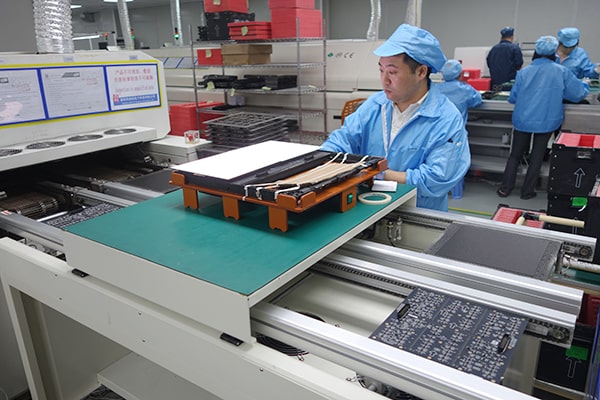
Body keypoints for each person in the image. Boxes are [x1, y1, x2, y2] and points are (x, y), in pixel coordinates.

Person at [321, 24, 470, 212]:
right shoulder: (375, 105)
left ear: (421, 72)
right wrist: (322, 160)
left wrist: (375, 174)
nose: (384, 80)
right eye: (381, 70)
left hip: (417, 214)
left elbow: (436, 179)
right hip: (368, 208)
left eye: (392, 72)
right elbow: (344, 139)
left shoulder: (445, 119)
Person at [497, 36, 589, 200]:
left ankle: (505, 189)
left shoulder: (524, 72)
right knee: (537, 157)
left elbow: (513, 98)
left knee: (515, 155)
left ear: (536, 51)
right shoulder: (561, 71)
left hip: (523, 120)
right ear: (554, 51)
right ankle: (527, 192)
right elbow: (578, 94)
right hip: (546, 121)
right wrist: (585, 85)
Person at [436, 59, 483, 199]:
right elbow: (477, 100)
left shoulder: (435, 89)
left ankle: (438, 190)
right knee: (457, 163)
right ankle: (456, 194)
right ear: (460, 74)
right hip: (456, 134)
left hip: (436, 133)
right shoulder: (465, 89)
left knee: (437, 161)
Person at [486, 26, 523, 91]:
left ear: (501, 37)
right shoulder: (515, 48)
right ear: (512, 37)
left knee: (496, 96)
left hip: (495, 85)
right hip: (509, 85)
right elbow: (518, 65)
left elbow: (489, 63)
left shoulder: (494, 49)